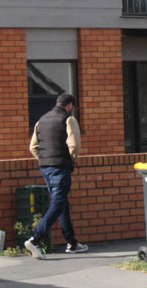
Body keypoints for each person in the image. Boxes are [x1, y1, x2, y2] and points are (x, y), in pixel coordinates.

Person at [25, 92, 88, 259]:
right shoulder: (68, 119)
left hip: (45, 167)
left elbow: (33, 147)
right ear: (69, 105)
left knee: (62, 202)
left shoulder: (42, 120)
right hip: (61, 166)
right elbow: (74, 144)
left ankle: (72, 243)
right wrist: (71, 160)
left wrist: (44, 160)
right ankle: (36, 238)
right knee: (59, 202)